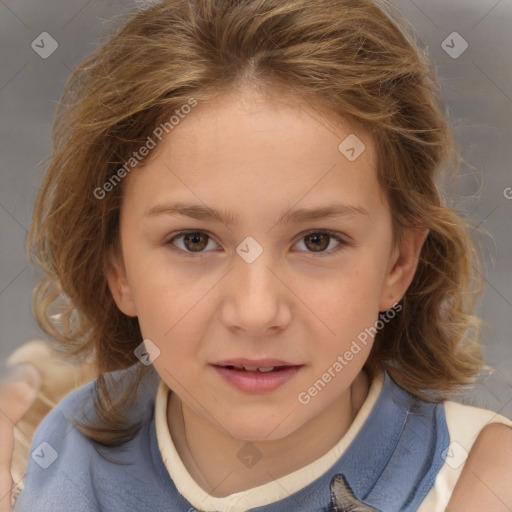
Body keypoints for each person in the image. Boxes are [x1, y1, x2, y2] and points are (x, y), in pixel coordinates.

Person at [7, 0, 512, 510]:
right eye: (194, 240)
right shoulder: (43, 462)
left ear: (399, 262)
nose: (255, 312)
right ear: (117, 267)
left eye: (317, 240)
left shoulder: (480, 483)